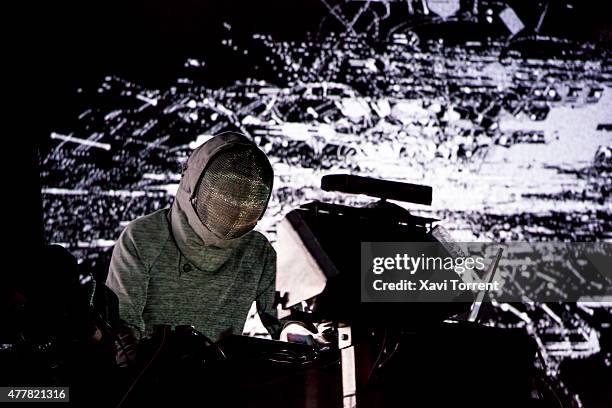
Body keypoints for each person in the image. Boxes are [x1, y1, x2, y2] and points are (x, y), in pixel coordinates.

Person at [106, 132, 279, 342]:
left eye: (243, 196)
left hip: (222, 372)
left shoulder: (258, 252)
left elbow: (290, 322)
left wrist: (314, 331)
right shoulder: (144, 238)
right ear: (193, 184)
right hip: (151, 371)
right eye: (225, 192)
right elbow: (122, 333)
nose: (234, 203)